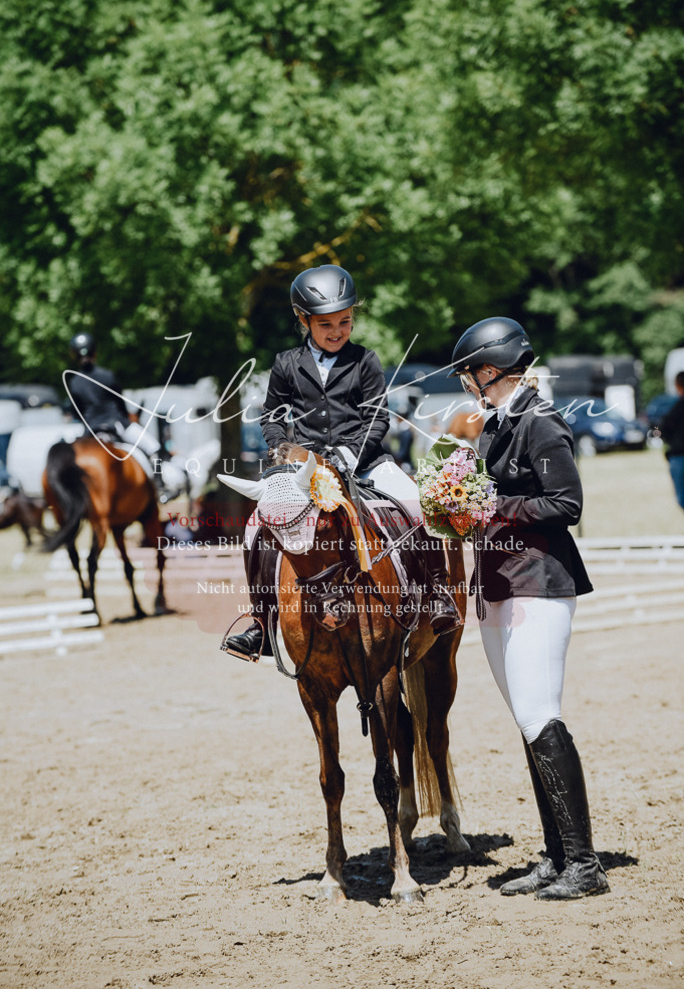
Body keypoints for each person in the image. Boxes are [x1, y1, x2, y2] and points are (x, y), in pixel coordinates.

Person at [223, 263, 461, 659]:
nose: (336, 331)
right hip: (303, 470)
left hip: (364, 460)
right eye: (325, 324)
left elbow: (377, 418)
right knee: (255, 527)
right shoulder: (285, 363)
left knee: (417, 503)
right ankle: (261, 624)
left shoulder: (365, 360)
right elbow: (272, 417)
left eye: (344, 322)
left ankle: (437, 594)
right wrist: (282, 450)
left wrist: (346, 456)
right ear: (303, 320)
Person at [449, 316, 609, 901]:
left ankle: (585, 866)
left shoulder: (541, 422)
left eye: (471, 375)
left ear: (490, 371)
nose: (469, 385)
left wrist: (494, 505)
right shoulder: (498, 424)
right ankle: (555, 854)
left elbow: (566, 503)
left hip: (539, 583)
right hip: (498, 585)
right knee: (527, 720)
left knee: (541, 715)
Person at [65, 333, 180, 503]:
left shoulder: (74, 383)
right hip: (116, 424)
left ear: (74, 355)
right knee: (153, 448)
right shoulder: (108, 376)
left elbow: (77, 412)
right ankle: (160, 487)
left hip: (92, 430)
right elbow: (120, 404)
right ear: (95, 352)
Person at [659, 371, 684, 511]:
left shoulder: (675, 408)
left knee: (682, 498)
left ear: (678, 386)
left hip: (679, 456)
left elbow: (662, 430)